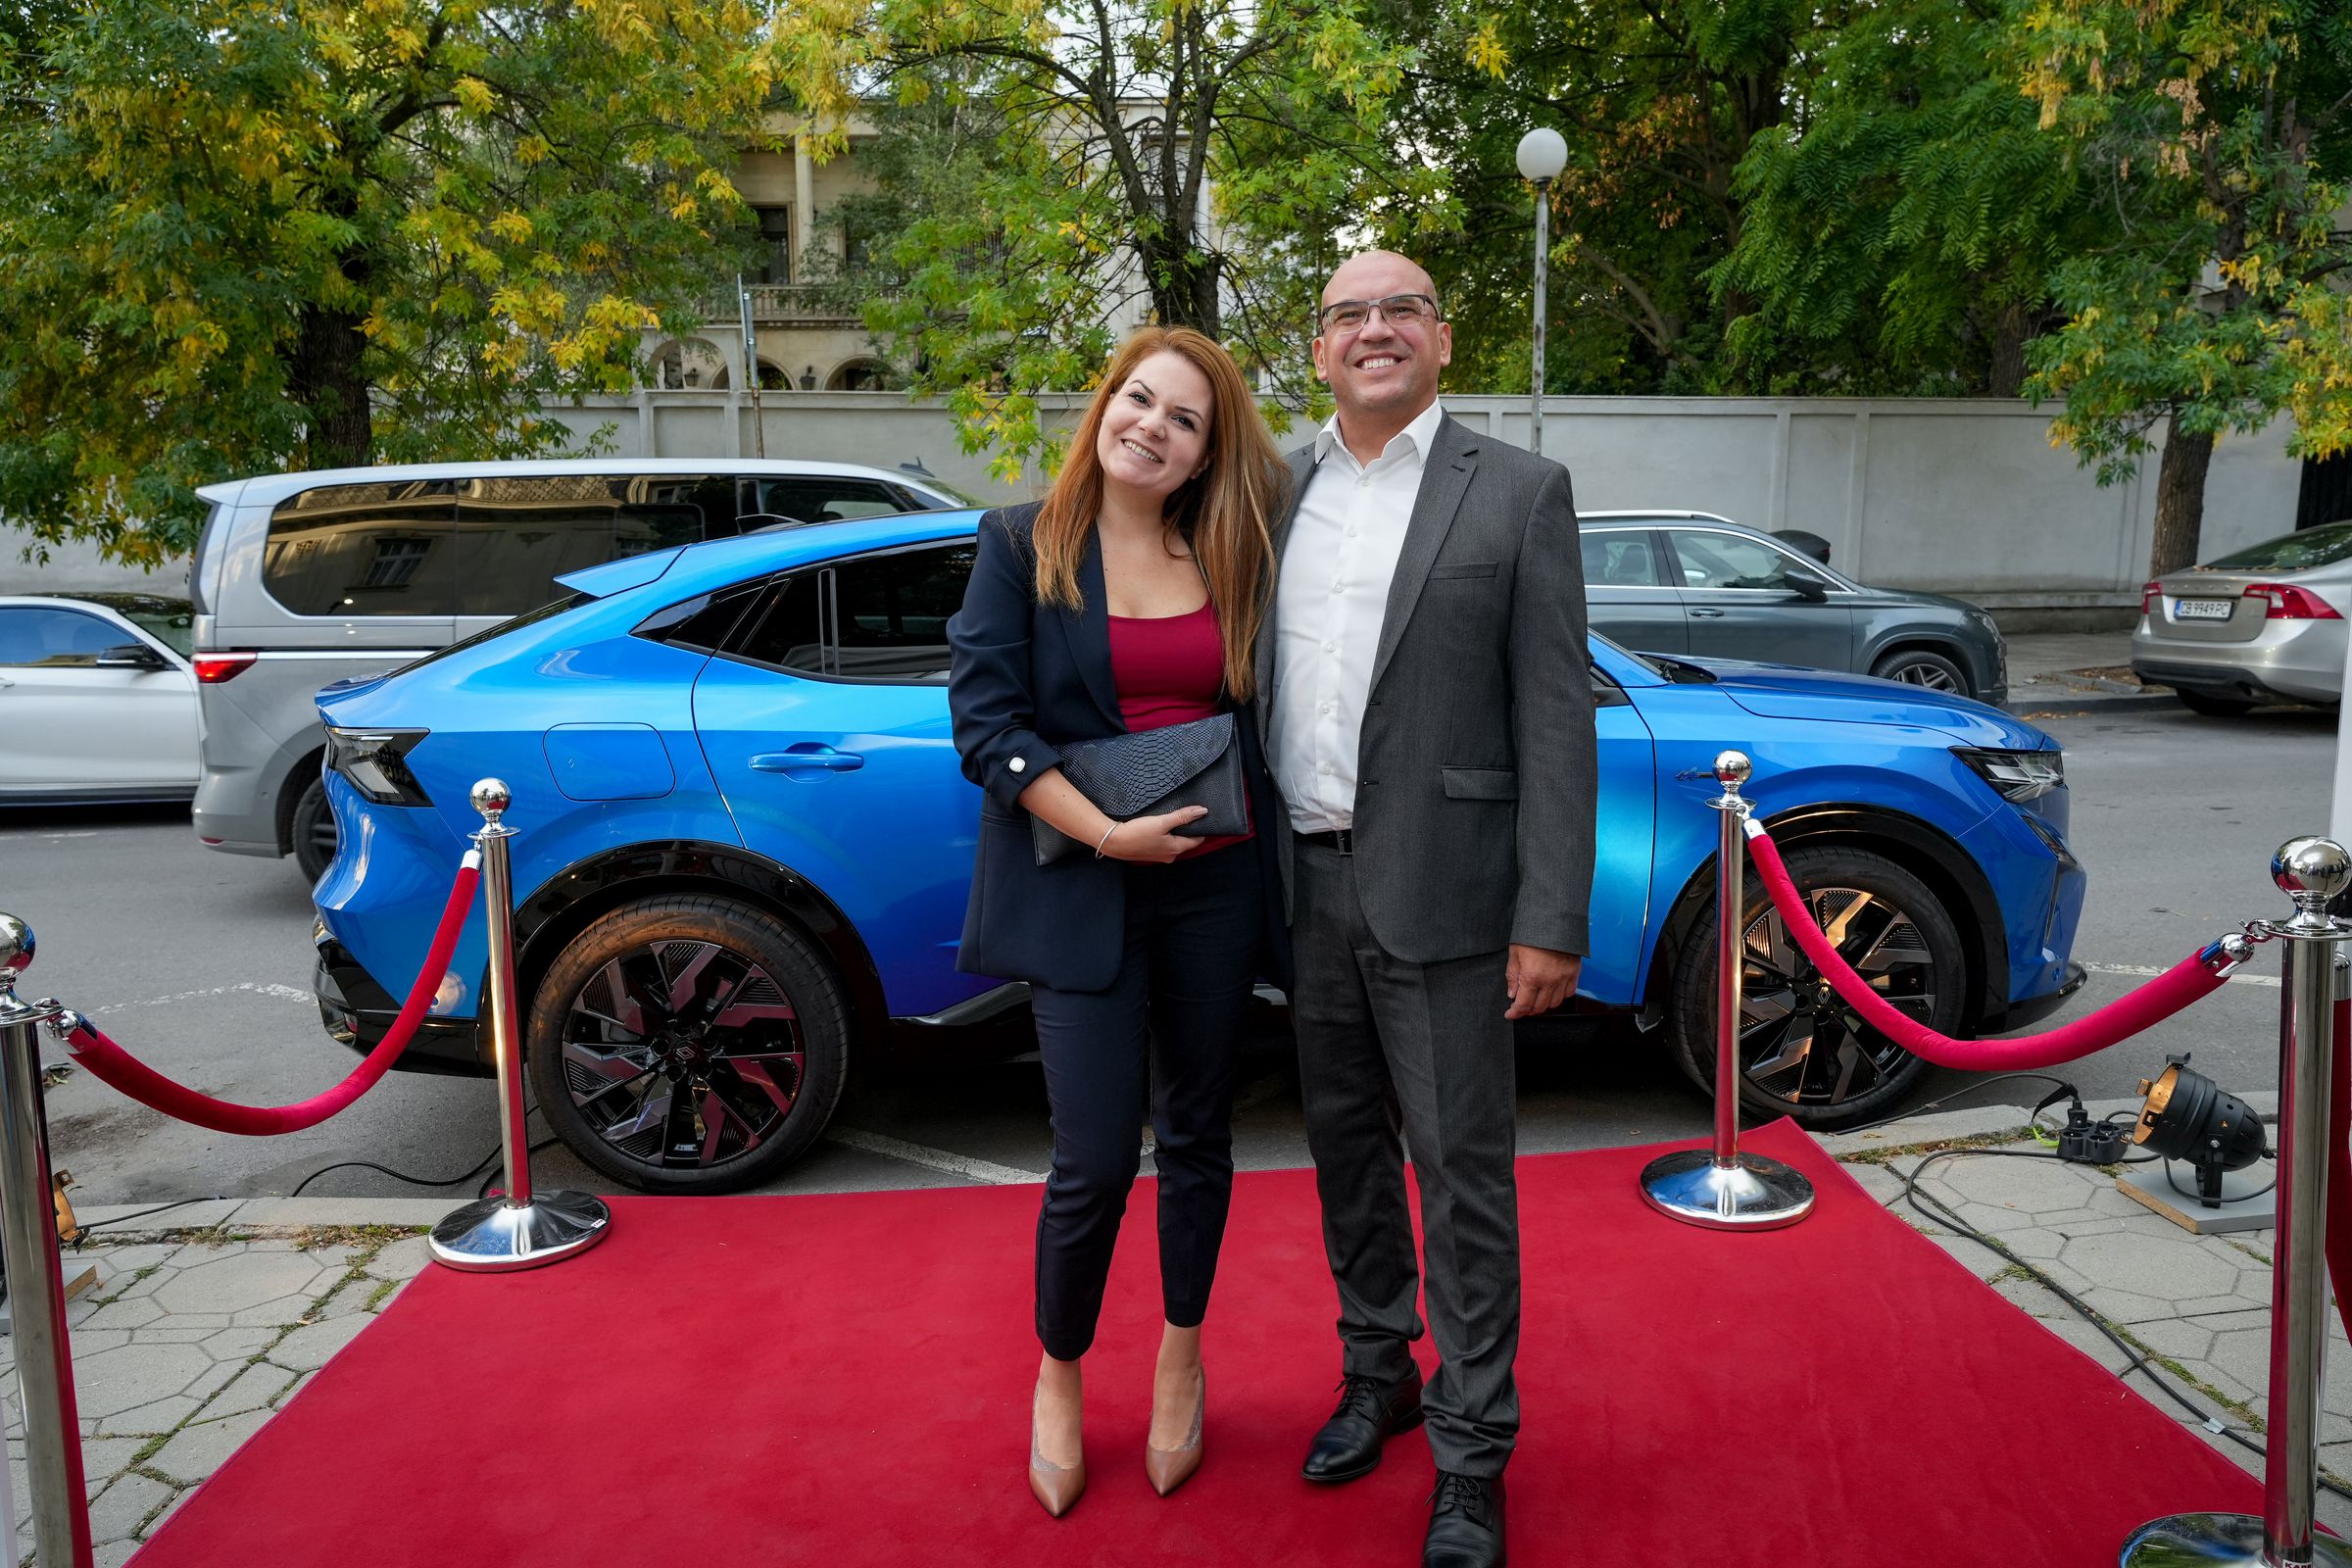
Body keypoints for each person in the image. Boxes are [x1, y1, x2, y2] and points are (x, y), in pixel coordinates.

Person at [1260, 251, 1596, 1568]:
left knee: (1461, 1182)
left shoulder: (1517, 490)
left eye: (1402, 308)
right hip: (1305, 884)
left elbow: (1555, 715)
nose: (1376, 329)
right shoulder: (1273, 489)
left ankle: (1471, 1452)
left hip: (1453, 896)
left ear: (1443, 339)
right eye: (1349, 314)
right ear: (1320, 349)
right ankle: (1377, 1371)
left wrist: (1550, 914)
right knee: (1346, 1157)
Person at [947, 325, 1292, 1518]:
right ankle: (1059, 1375)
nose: (1152, 426)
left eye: (1184, 419)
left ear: (1204, 454)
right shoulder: (1021, 542)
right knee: (1092, 1159)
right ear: (1105, 405)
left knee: (1197, 1135)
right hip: (1083, 880)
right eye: (1140, 399)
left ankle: (1181, 1361)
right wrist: (1107, 833)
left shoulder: (1230, 555)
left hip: (1214, 886)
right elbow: (986, 728)